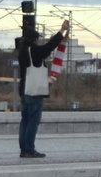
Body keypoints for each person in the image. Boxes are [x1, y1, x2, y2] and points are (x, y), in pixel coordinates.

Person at [17, 19, 69, 158]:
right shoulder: (34, 51)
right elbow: (49, 47)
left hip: (24, 90)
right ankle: (29, 149)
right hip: (35, 91)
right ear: (34, 40)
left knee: (25, 121)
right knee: (33, 121)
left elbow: (46, 47)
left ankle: (23, 149)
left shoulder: (22, 50)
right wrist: (62, 30)